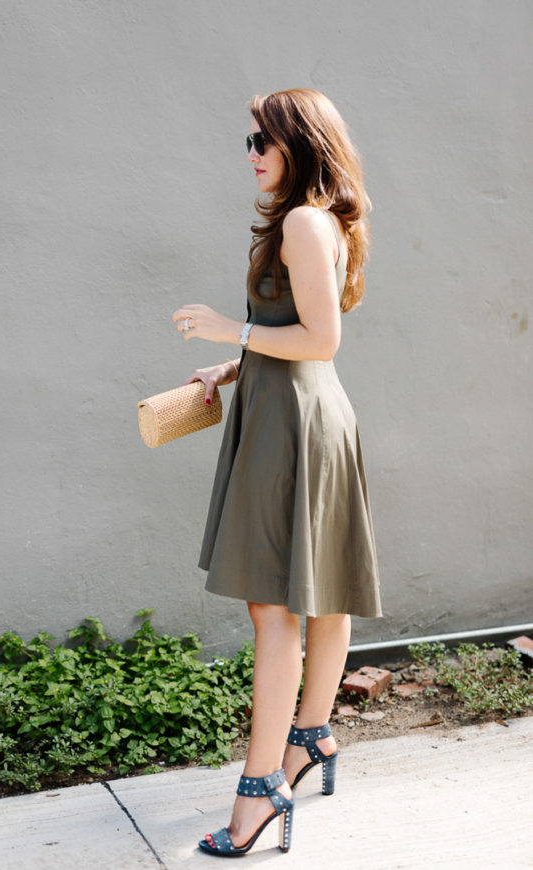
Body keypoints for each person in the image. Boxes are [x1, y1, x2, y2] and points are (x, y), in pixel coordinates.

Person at [172, 88, 382, 857]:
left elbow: (321, 340)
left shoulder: (300, 221)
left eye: (265, 138)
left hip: (295, 426)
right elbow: (299, 333)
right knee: (319, 597)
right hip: (304, 416)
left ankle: (260, 789)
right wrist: (235, 362)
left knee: (274, 609)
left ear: (299, 141)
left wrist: (233, 327)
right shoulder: (320, 220)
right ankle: (312, 741)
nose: (253, 151)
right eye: (249, 139)